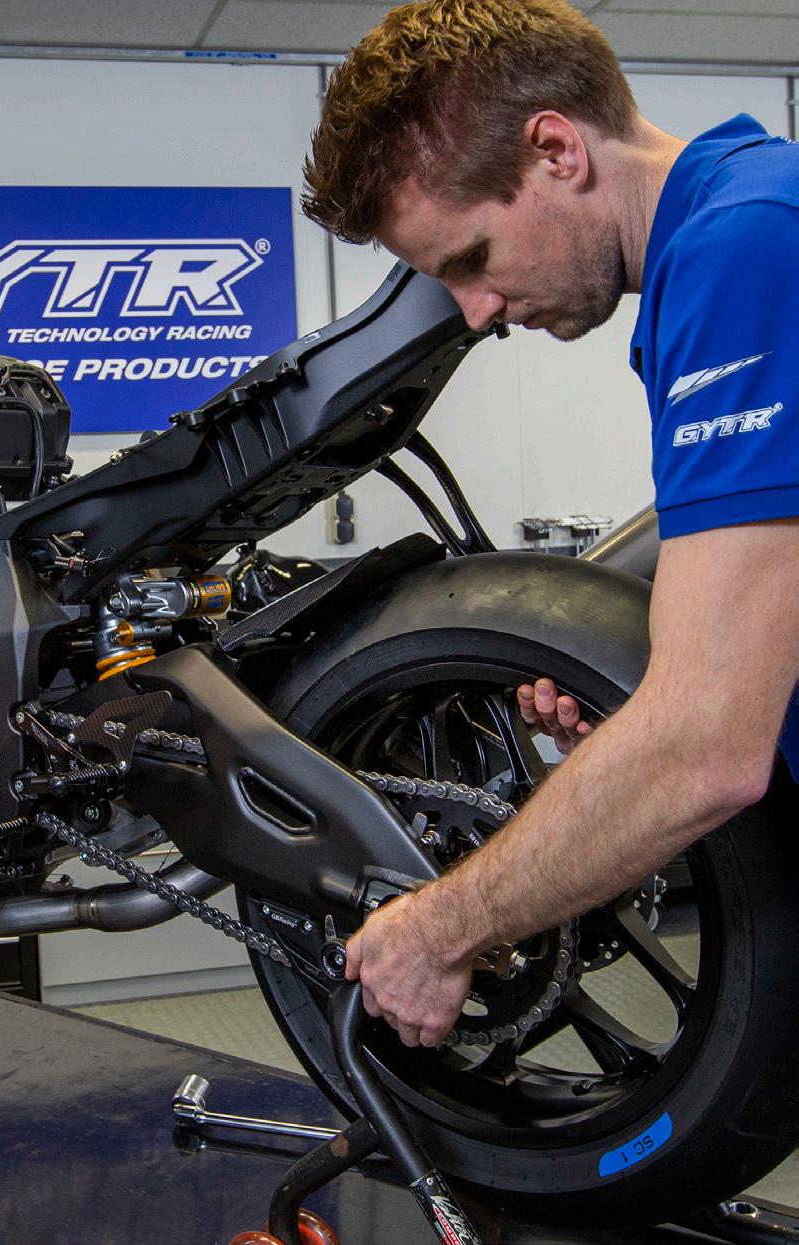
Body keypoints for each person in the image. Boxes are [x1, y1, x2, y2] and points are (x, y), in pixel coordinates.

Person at [301, 0, 799, 1047]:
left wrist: (440, 928)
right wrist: (640, 731)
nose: (477, 311)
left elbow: (709, 745)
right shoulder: (741, 224)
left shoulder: (747, 245)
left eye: (472, 257)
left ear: (556, 150)